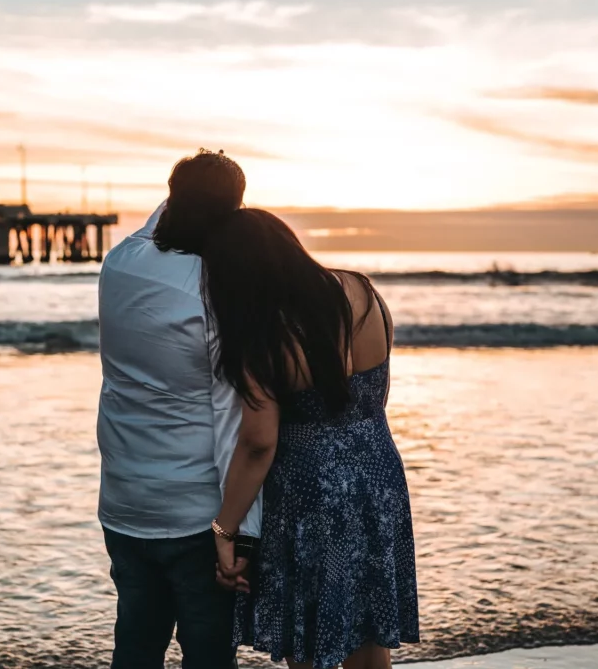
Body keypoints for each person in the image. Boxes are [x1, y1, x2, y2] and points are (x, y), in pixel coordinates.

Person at [162, 207, 421, 669]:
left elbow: (259, 442)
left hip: (310, 495)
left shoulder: (266, 331)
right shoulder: (362, 290)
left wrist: (224, 529)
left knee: (309, 645)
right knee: (366, 635)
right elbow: (372, 394)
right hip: (379, 474)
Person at [96, 150, 261, 669]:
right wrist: (237, 533)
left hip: (124, 503)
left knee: (136, 649)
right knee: (209, 656)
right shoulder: (216, 289)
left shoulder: (118, 263)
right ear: (232, 213)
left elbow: (157, 228)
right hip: (195, 515)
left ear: (170, 198)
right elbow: (239, 425)